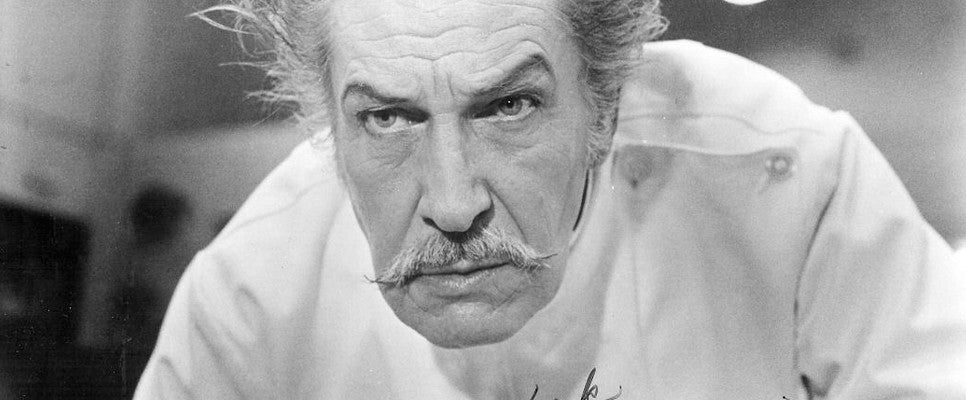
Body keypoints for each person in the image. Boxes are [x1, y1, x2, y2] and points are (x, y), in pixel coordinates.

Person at [133, 0, 966, 398]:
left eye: (509, 106)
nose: (453, 203)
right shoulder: (248, 299)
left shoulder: (788, 181)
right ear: (328, 127)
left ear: (604, 106)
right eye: (387, 118)